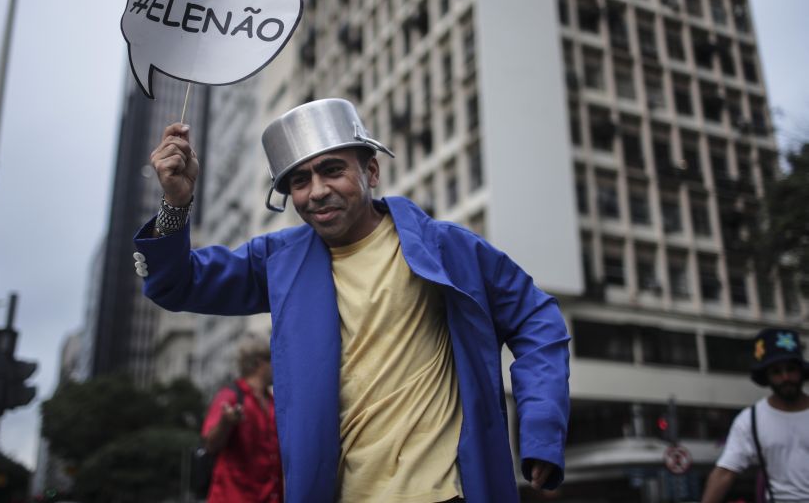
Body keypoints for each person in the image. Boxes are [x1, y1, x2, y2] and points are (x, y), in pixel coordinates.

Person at [134, 98, 571, 503]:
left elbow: (537, 320)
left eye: (332, 170)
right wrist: (176, 203)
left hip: (447, 493)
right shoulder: (277, 262)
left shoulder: (448, 249)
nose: (317, 191)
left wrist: (541, 427)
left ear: (372, 173)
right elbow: (177, 283)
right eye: (300, 181)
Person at [700, 327, 809, 503]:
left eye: (791, 369)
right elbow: (725, 472)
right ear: (766, 376)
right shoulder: (751, 419)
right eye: (776, 372)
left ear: (801, 371)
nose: (785, 377)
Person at [200, 336, 282, 503]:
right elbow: (210, 445)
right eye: (273, 359)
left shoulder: (273, 402)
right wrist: (226, 422)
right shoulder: (230, 396)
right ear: (259, 363)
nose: (278, 365)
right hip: (234, 496)